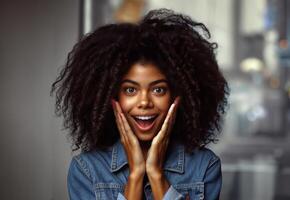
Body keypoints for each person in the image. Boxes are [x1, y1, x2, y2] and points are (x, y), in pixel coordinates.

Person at [51, 8, 229, 200]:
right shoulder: (87, 170)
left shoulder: (204, 166)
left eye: (158, 89)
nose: (144, 102)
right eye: (130, 90)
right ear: (112, 96)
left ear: (178, 96)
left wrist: (156, 174)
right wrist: (136, 175)